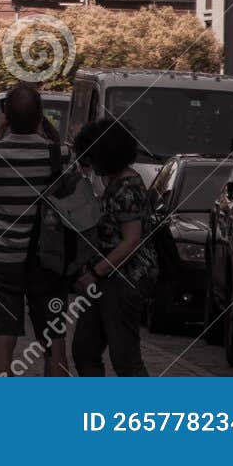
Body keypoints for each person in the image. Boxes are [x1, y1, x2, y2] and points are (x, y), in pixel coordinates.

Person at [0, 82, 66, 377]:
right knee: (54, 338)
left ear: (5, 115)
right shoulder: (60, 155)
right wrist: (47, 129)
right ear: (40, 115)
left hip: (2, 258)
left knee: (3, 338)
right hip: (47, 259)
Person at [70, 116, 157, 378]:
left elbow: (131, 240)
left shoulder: (128, 189)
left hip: (124, 280)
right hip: (108, 279)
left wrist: (96, 272)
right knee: (85, 349)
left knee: (125, 358)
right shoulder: (115, 183)